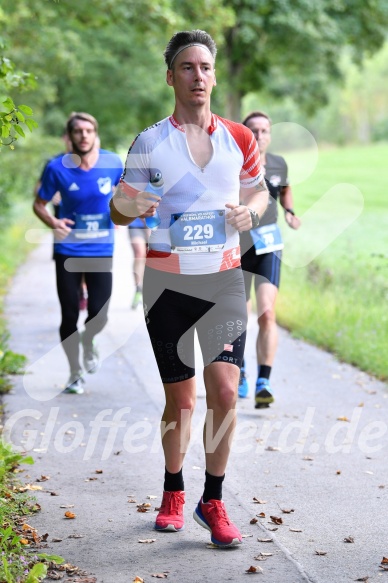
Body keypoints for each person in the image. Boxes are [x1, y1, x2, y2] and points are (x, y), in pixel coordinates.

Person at [110, 30, 268, 547]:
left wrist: (251, 212)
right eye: (186, 68)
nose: (197, 76)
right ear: (171, 76)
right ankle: (173, 489)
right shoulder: (150, 141)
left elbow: (258, 193)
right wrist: (134, 206)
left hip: (223, 282)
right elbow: (118, 207)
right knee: (181, 402)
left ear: (214, 75)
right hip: (167, 286)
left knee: (225, 391)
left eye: (204, 67)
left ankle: (213, 499)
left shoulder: (239, 139)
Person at [33, 112, 123, 394]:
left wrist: (122, 213)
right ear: (70, 137)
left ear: (96, 134)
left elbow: (126, 196)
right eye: (78, 131)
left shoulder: (112, 163)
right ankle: (74, 371)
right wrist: (54, 222)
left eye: (88, 131)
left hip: (101, 249)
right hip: (68, 250)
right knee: (69, 313)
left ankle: (88, 341)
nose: (84, 135)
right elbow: (39, 204)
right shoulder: (56, 168)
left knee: (99, 313)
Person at [239, 111, 301, 407]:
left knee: (266, 313)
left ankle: (264, 381)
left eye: (264, 130)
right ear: (245, 133)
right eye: (253, 130)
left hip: (268, 244)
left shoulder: (278, 163)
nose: (259, 135)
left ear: (270, 135)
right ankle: (238, 370)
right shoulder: (232, 163)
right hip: (237, 244)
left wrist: (290, 212)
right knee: (238, 315)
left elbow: (285, 190)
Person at [127, 218, 149, 309]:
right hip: (135, 223)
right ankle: (138, 288)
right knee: (139, 253)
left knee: (150, 257)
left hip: (155, 224)